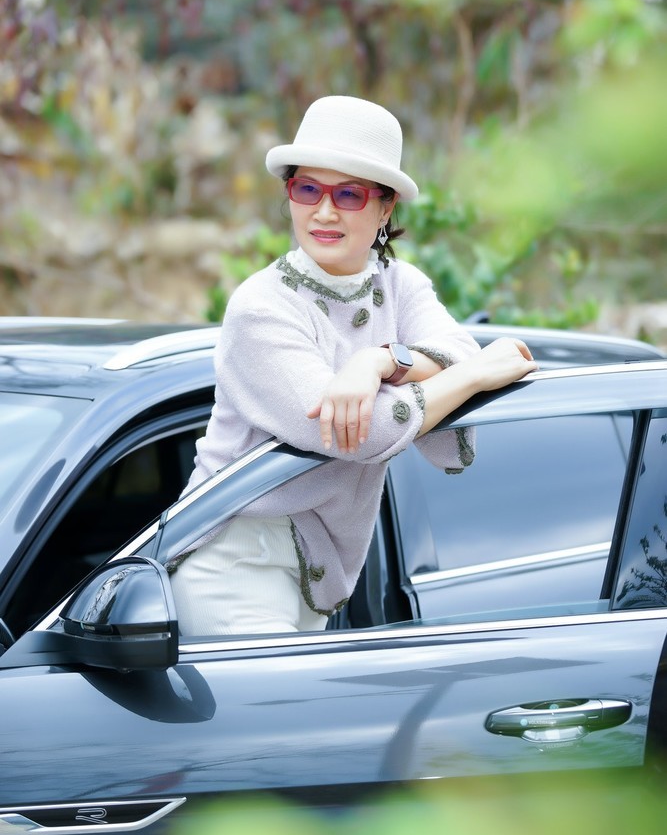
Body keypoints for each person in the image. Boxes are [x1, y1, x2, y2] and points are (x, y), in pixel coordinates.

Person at [169, 95, 537, 636]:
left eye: (349, 194)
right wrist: (474, 374)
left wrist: (379, 360)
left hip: (315, 576)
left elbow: (454, 349)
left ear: (385, 208)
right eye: (307, 189)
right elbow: (359, 433)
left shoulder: (401, 285)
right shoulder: (261, 308)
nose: (323, 212)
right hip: (233, 561)